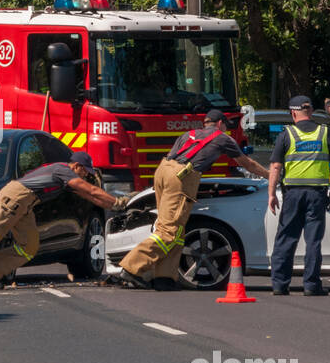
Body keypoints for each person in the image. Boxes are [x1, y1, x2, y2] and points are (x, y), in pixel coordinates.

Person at [110, 109, 270, 290]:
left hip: (163, 171)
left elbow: (175, 157)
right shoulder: (223, 138)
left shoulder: (189, 134)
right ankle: (131, 268)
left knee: (176, 231)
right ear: (219, 124)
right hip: (182, 176)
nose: (225, 129)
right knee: (168, 232)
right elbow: (246, 163)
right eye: (225, 125)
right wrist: (269, 175)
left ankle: (165, 277)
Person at [0, 151, 128, 291]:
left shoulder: (63, 174)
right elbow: (91, 190)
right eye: (85, 172)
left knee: (29, 247)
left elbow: (90, 196)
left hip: (25, 203)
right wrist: (119, 202)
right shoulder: (64, 170)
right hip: (15, 198)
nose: (86, 175)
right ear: (76, 166)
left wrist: (111, 205)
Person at [268, 96, 330, 296]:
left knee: (286, 238)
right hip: (316, 195)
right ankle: (311, 285)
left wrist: (271, 194)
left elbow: (276, 166)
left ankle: (280, 284)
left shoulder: (286, 134)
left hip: (292, 195)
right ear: (311, 111)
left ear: (293, 113)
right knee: (313, 241)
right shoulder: (325, 133)